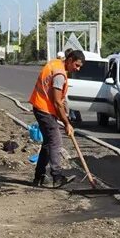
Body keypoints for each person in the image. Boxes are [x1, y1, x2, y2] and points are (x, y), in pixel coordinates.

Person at [29, 49, 85, 188]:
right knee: (56, 141)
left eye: (80, 67)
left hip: (40, 106)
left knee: (48, 144)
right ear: (70, 60)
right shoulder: (60, 74)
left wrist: (64, 112)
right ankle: (57, 177)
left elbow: (60, 100)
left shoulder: (56, 64)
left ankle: (39, 176)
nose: (77, 69)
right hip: (44, 109)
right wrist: (67, 123)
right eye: (76, 65)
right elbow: (57, 102)